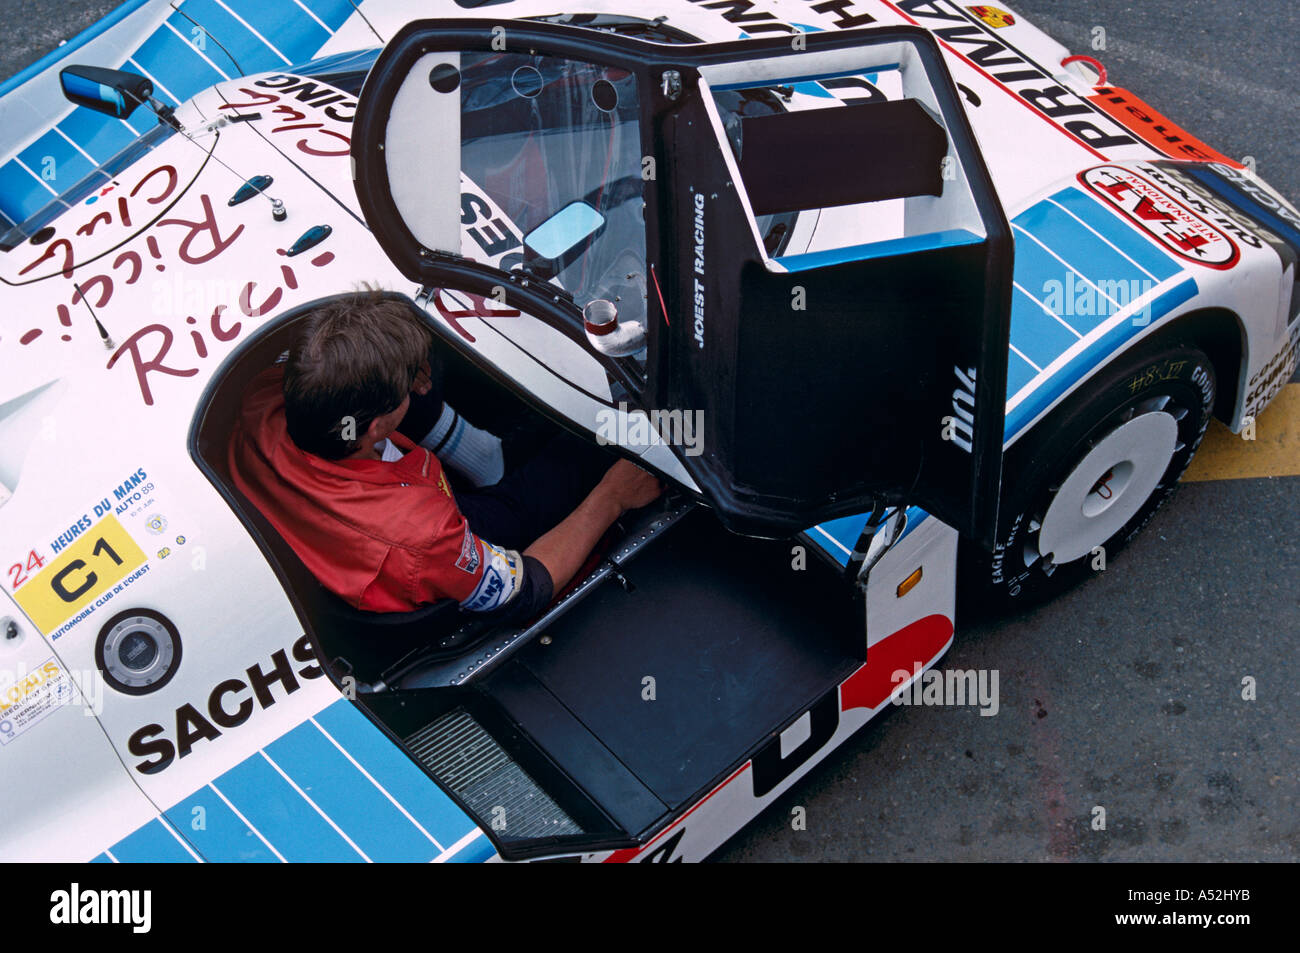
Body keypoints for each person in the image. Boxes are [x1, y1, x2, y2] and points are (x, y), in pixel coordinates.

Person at [227, 291, 662, 621]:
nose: (420, 384)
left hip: (347, 513)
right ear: (376, 427)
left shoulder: (263, 395)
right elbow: (525, 590)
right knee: (584, 452)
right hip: (411, 551)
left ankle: (487, 455)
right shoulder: (426, 535)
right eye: (409, 385)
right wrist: (614, 497)